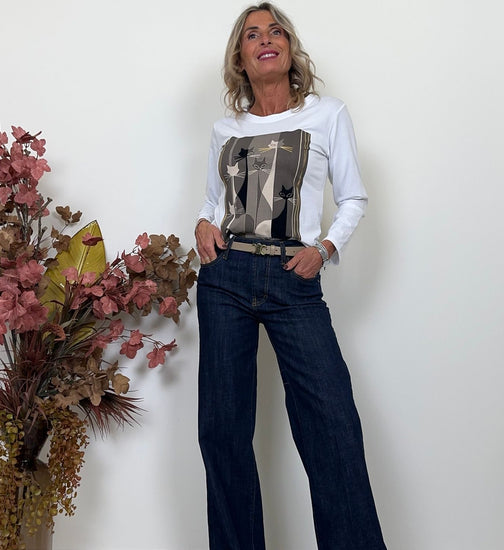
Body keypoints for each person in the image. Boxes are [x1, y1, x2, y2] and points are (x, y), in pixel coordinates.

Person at [195, 3, 387, 549]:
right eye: (252, 35)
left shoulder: (327, 115)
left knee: (333, 425)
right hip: (225, 276)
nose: (265, 39)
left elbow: (353, 198)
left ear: (288, 47)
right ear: (240, 58)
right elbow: (213, 203)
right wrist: (203, 224)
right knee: (223, 431)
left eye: (275, 31)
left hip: (293, 278)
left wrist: (324, 248)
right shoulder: (225, 129)